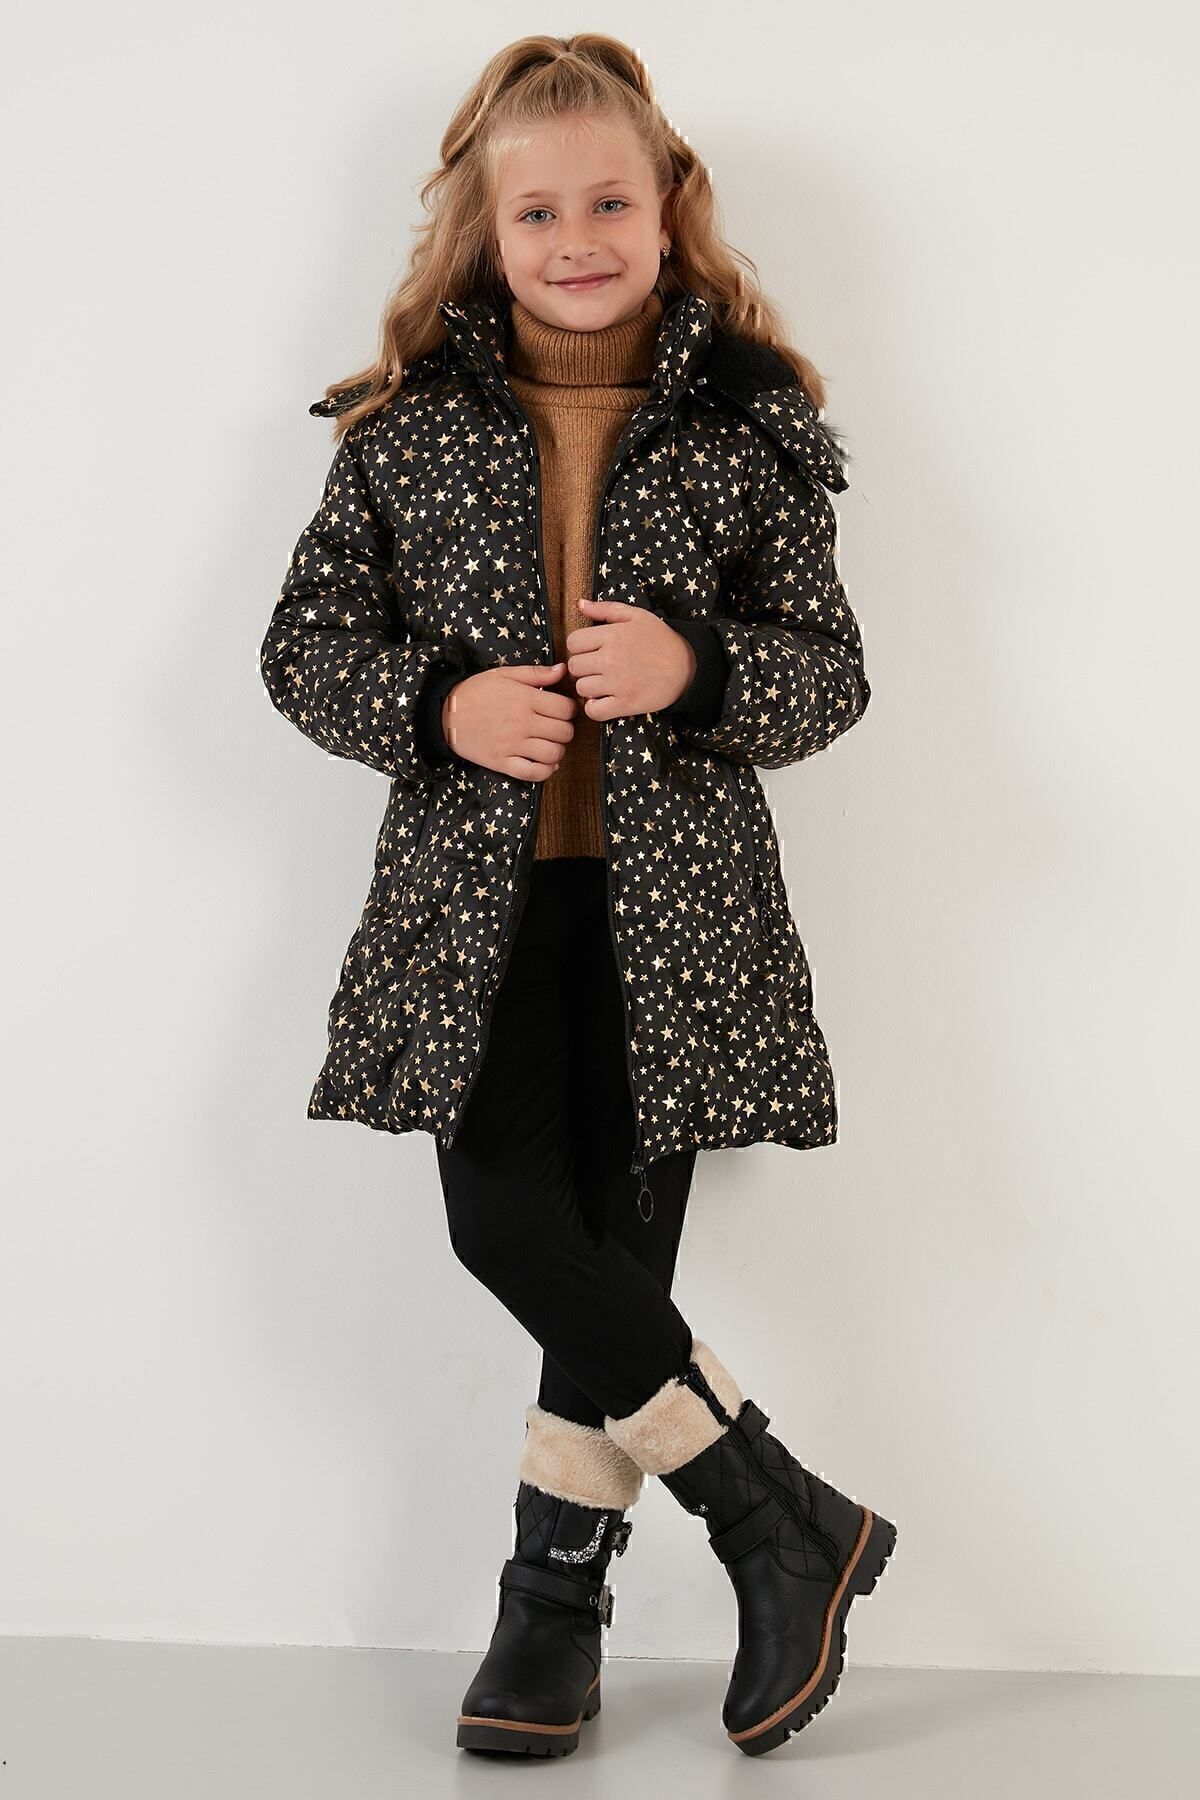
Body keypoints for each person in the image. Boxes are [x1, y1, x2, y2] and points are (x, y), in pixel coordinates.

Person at [260, 30, 896, 1762]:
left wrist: (695, 669)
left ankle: (551, 1609)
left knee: (611, 1258)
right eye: (536, 211)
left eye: (609, 202)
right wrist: (439, 706)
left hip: (677, 915)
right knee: (507, 1226)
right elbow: (305, 647)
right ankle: (778, 1515)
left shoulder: (749, 430)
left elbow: (829, 672)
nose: (576, 238)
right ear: (484, 226)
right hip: (475, 919)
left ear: (668, 206)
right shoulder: (402, 431)